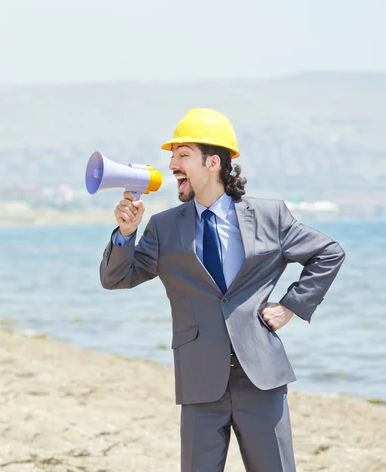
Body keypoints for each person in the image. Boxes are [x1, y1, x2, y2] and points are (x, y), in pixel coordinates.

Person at [99, 108, 346, 472]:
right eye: (172, 156)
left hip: (261, 378)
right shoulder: (164, 227)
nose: (172, 165)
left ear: (213, 162)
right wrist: (125, 233)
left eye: (183, 155)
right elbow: (116, 278)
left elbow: (329, 253)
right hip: (199, 381)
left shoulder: (269, 216)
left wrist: (290, 305)